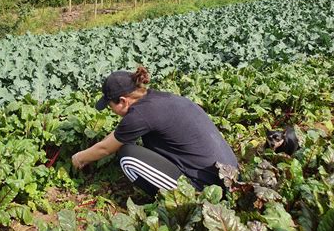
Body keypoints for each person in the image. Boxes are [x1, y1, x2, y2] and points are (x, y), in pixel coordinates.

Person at [71, 66, 239, 196]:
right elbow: (118, 134)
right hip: (230, 176)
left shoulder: (141, 115)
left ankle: (179, 199)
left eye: (110, 106)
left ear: (122, 101)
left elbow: (105, 148)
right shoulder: (159, 99)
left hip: (209, 187)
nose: (111, 110)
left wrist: (79, 158)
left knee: (127, 156)